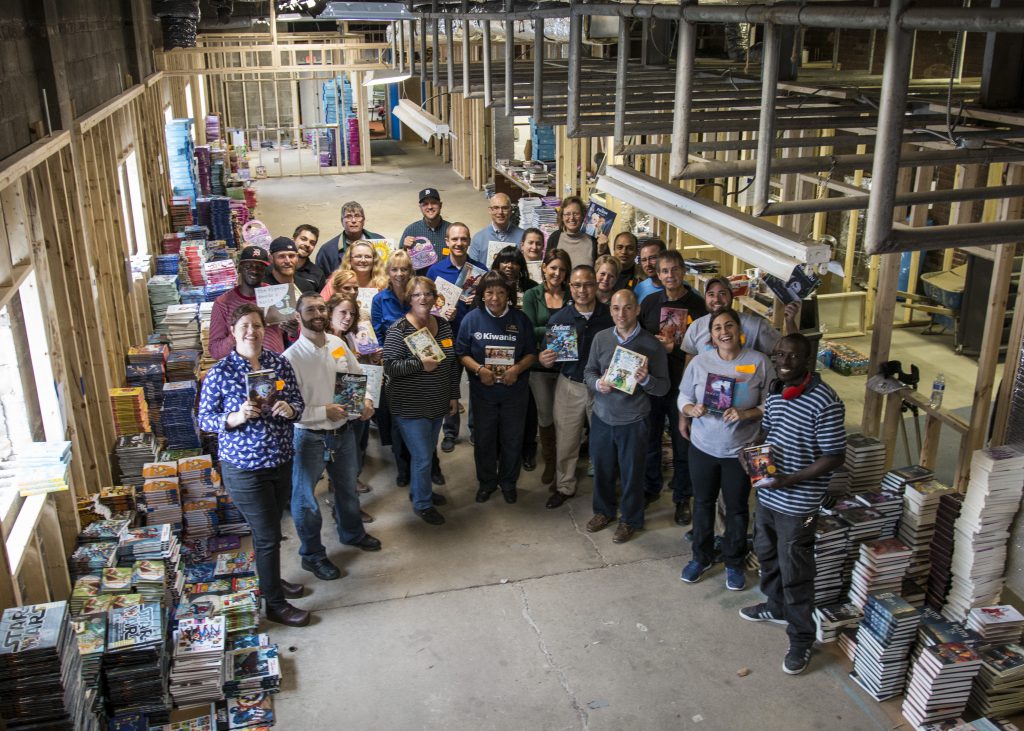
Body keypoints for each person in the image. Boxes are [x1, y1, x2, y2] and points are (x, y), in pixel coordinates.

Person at [739, 333, 846, 676]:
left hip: (798, 501)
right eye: (780, 354)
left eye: (793, 357)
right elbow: (767, 428)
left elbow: (833, 456)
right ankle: (775, 605)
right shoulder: (775, 390)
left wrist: (791, 480)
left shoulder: (825, 401)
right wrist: (751, 447)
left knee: (795, 570)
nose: (784, 361)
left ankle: (801, 638)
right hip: (768, 492)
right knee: (766, 553)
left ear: (808, 362)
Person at [197, 304, 308, 626]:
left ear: (265, 329)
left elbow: (298, 402)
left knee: (273, 530)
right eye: (244, 326)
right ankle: (274, 603)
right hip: (244, 468)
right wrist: (236, 416)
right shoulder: (219, 373)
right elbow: (204, 420)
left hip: (281, 460)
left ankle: (270, 579)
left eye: (257, 325)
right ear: (233, 332)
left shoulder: (278, 363)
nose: (251, 331)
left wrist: (290, 408)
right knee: (266, 534)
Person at [283, 293, 381, 583]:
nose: (318, 313)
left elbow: (358, 377)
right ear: (298, 317)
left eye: (321, 308)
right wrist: (321, 411)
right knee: (305, 501)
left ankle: (352, 533)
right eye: (310, 309)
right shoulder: (290, 359)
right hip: (309, 437)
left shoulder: (338, 345)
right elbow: (288, 410)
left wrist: (365, 401)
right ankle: (312, 555)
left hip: (343, 433)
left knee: (347, 488)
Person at [678, 309, 773, 591]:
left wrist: (748, 414)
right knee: (704, 504)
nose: (724, 332)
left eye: (729, 325)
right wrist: (689, 408)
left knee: (737, 508)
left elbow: (774, 402)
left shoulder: (758, 362)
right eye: (717, 328)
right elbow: (683, 395)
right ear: (712, 335)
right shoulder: (699, 362)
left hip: (740, 451)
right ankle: (701, 557)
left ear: (739, 328)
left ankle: (733, 562)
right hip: (704, 447)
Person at [583, 289, 669, 543]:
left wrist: (647, 380)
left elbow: (663, 386)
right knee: (602, 469)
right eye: (616, 308)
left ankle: (631, 519)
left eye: (628, 308)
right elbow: (588, 371)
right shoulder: (600, 339)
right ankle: (603, 511)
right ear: (610, 310)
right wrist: (599, 384)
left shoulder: (651, 345)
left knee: (633, 474)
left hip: (633, 420)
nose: (622, 314)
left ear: (637, 309)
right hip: (602, 415)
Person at [638, 249, 707, 526]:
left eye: (675, 270)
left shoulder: (699, 306)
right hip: (654, 383)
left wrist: (675, 347)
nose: (669, 276)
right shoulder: (651, 302)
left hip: (685, 385)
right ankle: (651, 488)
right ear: (658, 273)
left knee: (682, 443)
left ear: (683, 271)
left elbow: (707, 347)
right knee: (651, 439)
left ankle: (682, 497)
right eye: (664, 271)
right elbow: (639, 338)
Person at [383, 277, 460, 525]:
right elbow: (390, 366)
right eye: (417, 295)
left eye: (428, 294)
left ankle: (420, 490)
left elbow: (451, 363)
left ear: (435, 296)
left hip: (437, 402)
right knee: (423, 456)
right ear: (409, 299)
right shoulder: (399, 330)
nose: (423, 299)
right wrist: (419, 365)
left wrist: (453, 395)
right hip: (409, 406)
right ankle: (423, 504)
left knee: (425, 453)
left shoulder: (444, 325)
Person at [457, 271, 538, 504]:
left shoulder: (520, 320)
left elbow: (532, 353)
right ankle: (487, 482)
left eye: (501, 293)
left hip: (515, 393)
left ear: (508, 296)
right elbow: (461, 353)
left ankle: (508, 482)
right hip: (484, 393)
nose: (495, 298)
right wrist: (480, 370)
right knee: (484, 439)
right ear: (482, 295)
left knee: (512, 439)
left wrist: (516, 370)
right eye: (489, 292)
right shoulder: (471, 319)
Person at [542, 265, 613, 509]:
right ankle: (564, 485)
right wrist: (544, 359)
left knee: (604, 441)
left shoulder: (609, 317)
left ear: (596, 285)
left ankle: (606, 489)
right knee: (567, 439)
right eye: (577, 285)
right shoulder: (560, 319)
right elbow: (549, 356)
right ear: (569, 287)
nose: (582, 290)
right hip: (570, 385)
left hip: (603, 388)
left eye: (588, 284)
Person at [426, 223, 480, 453]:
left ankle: (476, 428)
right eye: (454, 239)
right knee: (449, 387)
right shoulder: (435, 271)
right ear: (447, 243)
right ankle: (449, 432)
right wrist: (440, 314)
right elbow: (426, 308)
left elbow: (490, 305)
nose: (459, 243)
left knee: (477, 386)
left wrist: (477, 302)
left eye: (463, 239)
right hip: (447, 339)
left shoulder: (479, 270)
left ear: (469, 241)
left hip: (474, 340)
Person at [522, 248, 571, 488]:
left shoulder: (573, 294)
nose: (557, 273)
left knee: (565, 418)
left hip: (567, 367)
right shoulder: (532, 294)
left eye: (562, 269)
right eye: (553, 267)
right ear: (544, 268)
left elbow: (580, 326)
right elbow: (528, 329)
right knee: (545, 415)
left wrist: (547, 330)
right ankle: (550, 460)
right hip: (539, 367)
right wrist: (562, 331)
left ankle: (562, 463)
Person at [326, 292, 376, 509]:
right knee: (341, 455)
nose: (347, 317)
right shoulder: (322, 338)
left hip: (354, 398)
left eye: (351, 313)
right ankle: (343, 503)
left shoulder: (350, 335)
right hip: (335, 406)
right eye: (342, 312)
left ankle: (348, 485)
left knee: (357, 445)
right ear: (330, 313)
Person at [682, 276, 797, 358]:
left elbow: (788, 349)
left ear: (731, 296)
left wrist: (790, 322)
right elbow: (690, 364)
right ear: (705, 298)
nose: (716, 299)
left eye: (722, 293)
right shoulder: (696, 327)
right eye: (711, 294)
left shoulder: (754, 325)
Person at [209, 245, 285, 359]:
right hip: (240, 371)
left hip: (275, 366)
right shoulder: (223, 303)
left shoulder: (277, 294)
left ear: (265, 271)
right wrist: (239, 332)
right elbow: (215, 351)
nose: (254, 270)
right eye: (248, 266)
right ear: (239, 268)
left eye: (259, 267)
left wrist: (292, 331)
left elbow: (291, 337)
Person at [315, 201, 383, 279]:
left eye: (357, 216)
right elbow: (321, 282)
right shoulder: (327, 250)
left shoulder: (381, 241)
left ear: (363, 221)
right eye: (348, 216)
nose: (353, 220)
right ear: (342, 222)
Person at [400, 188, 450, 273]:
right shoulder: (411, 230)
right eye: (425, 204)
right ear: (420, 207)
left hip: (445, 280)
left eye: (433, 203)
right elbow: (399, 262)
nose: (430, 207)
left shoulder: (451, 230)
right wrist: (404, 249)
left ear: (440, 205)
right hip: (420, 281)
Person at [545, 196, 602, 268]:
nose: (571, 218)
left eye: (576, 214)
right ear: (562, 217)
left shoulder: (593, 238)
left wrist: (602, 250)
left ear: (583, 216)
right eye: (567, 214)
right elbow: (547, 266)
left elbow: (603, 268)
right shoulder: (554, 237)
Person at [469, 193, 524, 265]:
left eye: (504, 208)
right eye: (496, 208)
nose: (500, 212)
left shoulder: (523, 236)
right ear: (490, 210)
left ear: (510, 210)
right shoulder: (478, 239)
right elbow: (472, 268)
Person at [322, 239, 388, 298]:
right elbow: (323, 305)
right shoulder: (336, 280)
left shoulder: (384, 283)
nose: (363, 260)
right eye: (358, 256)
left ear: (374, 260)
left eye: (368, 257)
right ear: (350, 259)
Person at [292, 224, 326, 293]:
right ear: (293, 240)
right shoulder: (279, 267)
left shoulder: (318, 274)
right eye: (303, 239)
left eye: (312, 243)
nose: (307, 244)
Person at [633, 237, 667, 303]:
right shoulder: (639, 289)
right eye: (644, 260)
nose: (648, 264)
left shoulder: (682, 288)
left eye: (652, 258)